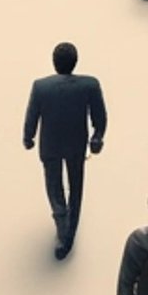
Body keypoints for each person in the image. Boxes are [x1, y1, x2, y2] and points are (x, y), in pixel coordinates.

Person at [23, 42, 108, 258]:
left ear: (54, 63)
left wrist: (28, 137)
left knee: (54, 185)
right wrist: (97, 136)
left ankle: (61, 219)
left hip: (50, 144)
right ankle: (70, 229)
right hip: (76, 143)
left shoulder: (41, 87)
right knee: (76, 184)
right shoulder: (89, 85)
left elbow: (32, 114)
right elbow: (100, 115)